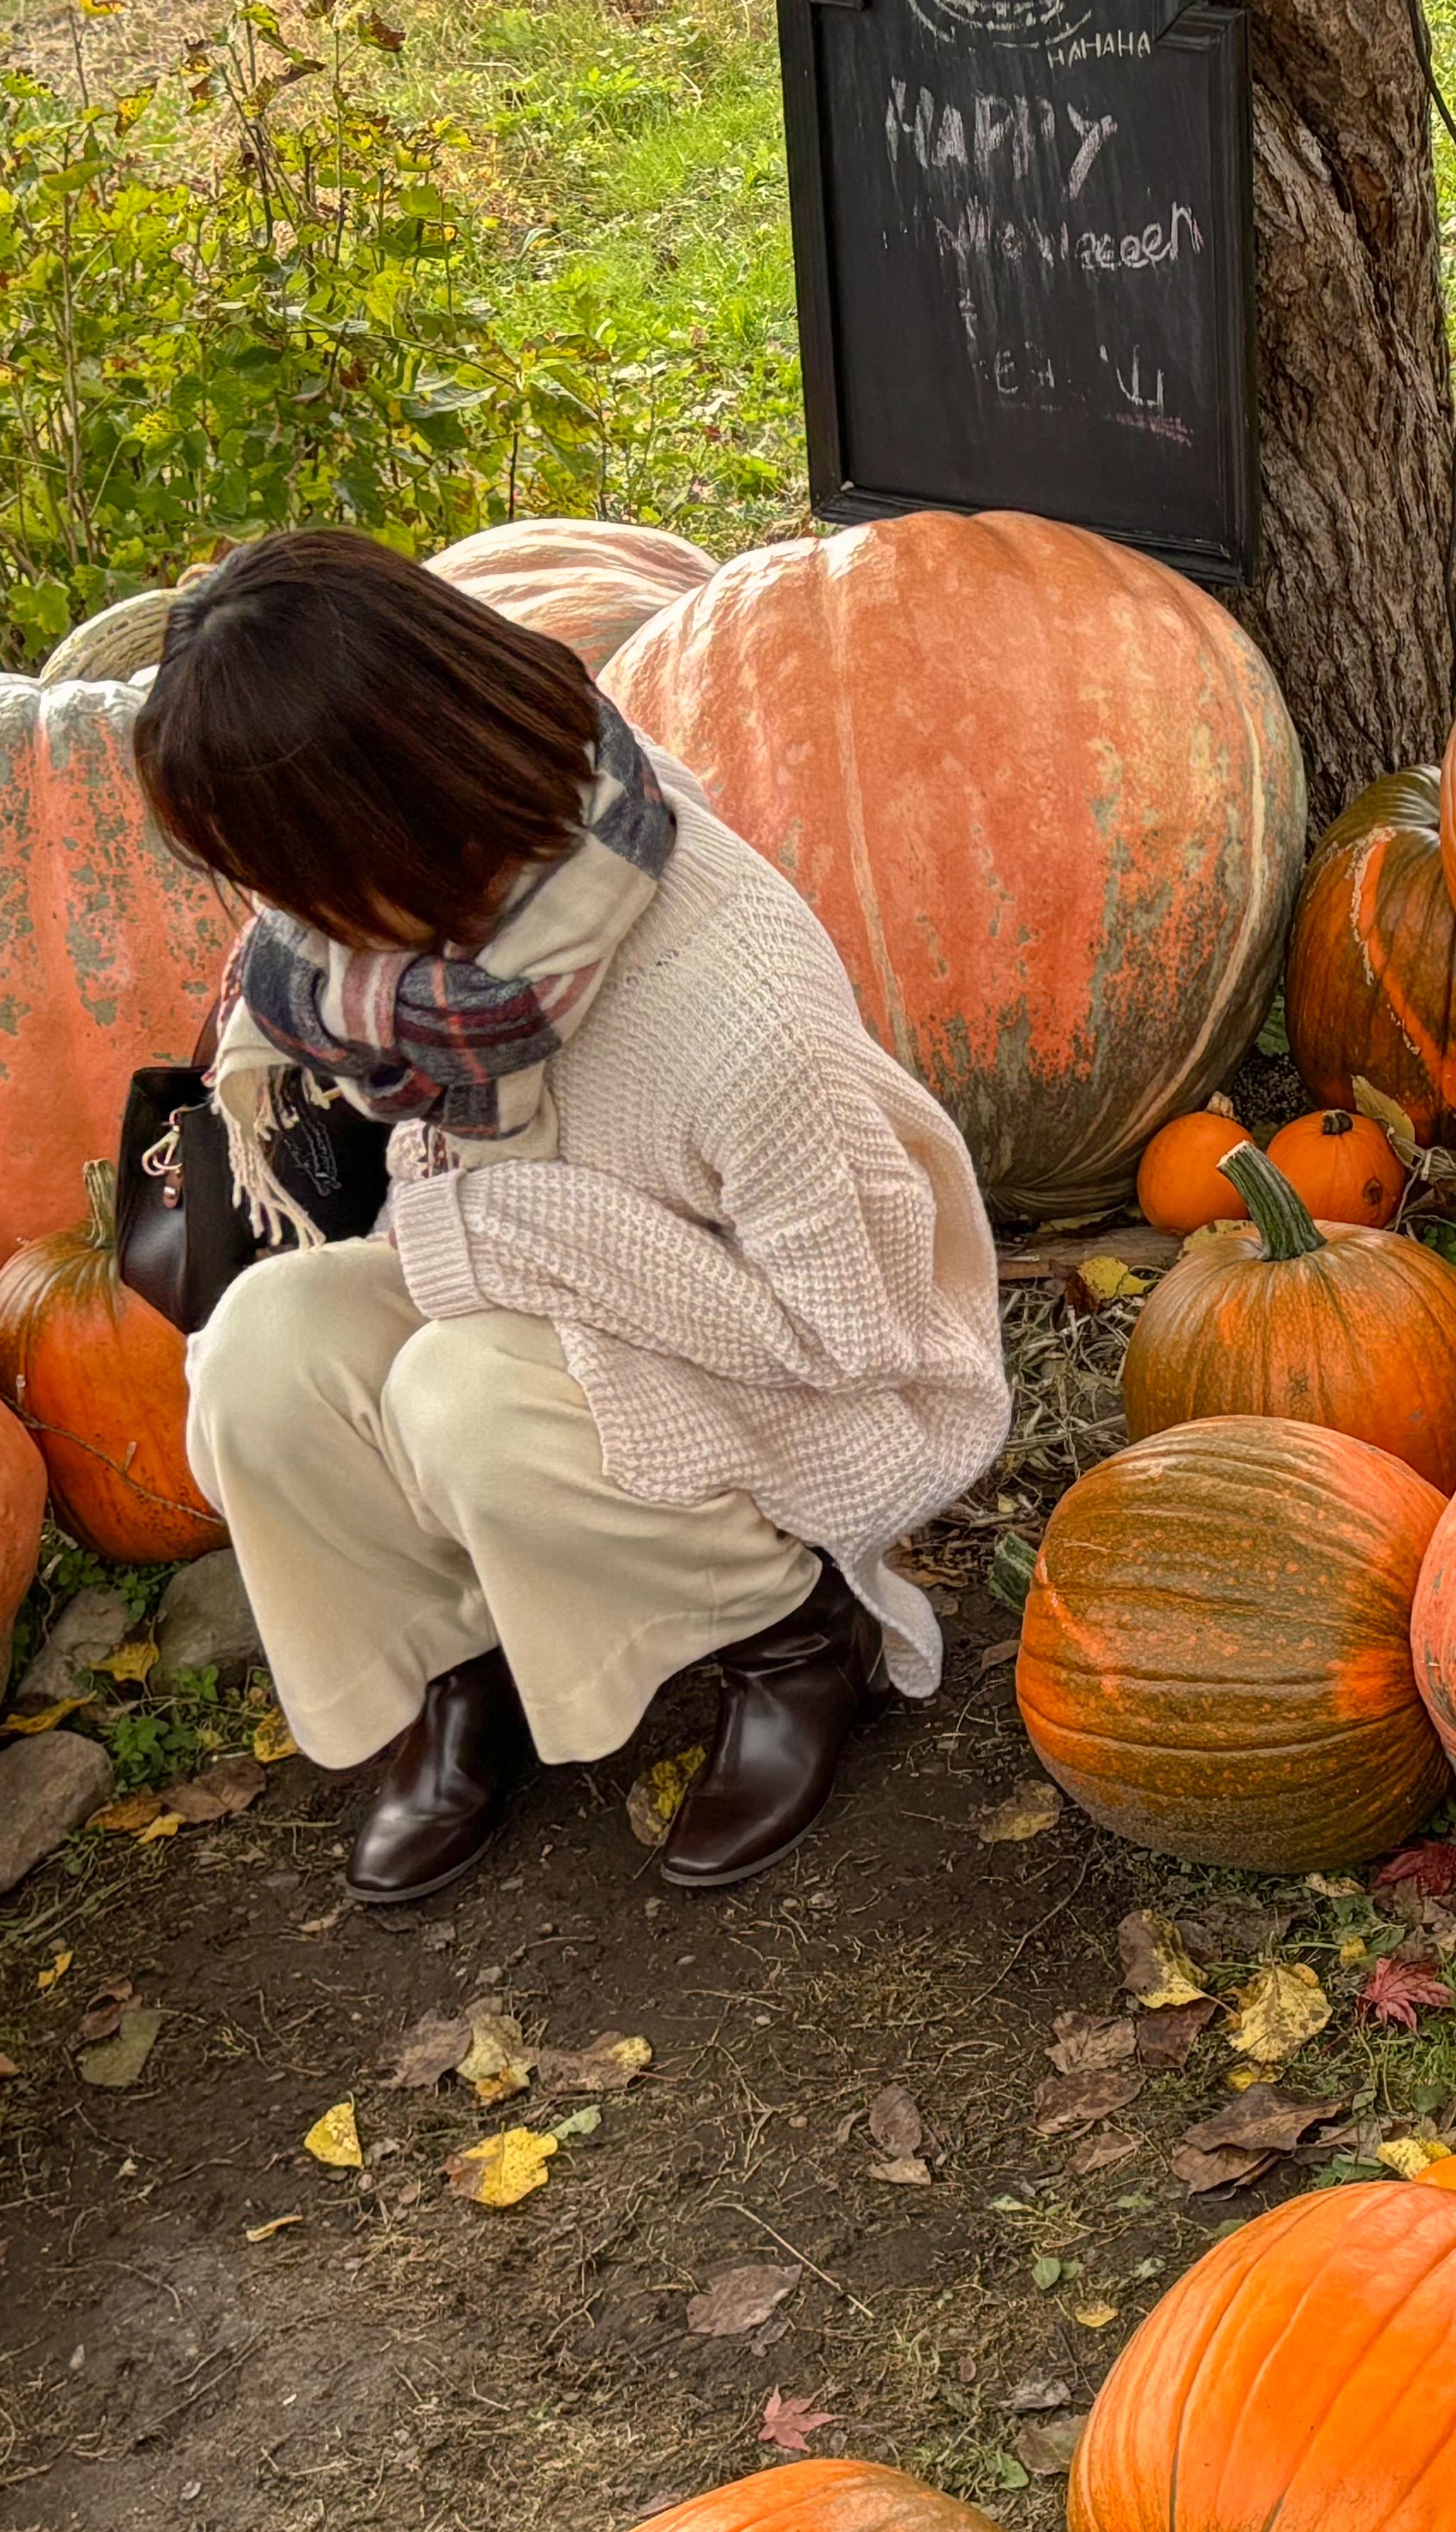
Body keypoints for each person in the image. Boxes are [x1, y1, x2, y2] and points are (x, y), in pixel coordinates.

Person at [131, 530, 1010, 1903]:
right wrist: (474, 1226)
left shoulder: (729, 1005)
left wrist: (515, 1237)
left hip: (800, 1386)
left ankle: (791, 1634)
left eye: (295, 873)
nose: (278, 922)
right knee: (262, 1350)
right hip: (545, 1306)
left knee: (460, 1398)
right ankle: (455, 1663)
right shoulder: (438, 970)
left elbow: (855, 1333)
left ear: (401, 814)